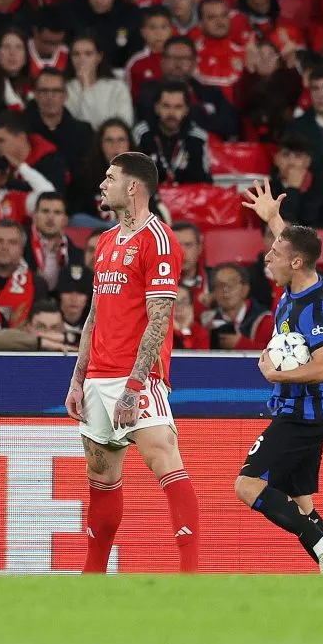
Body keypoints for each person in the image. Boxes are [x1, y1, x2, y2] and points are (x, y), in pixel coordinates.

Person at [64, 151, 200, 574]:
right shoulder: (104, 241)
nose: (103, 185)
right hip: (97, 377)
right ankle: (93, 577)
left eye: (110, 177)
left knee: (164, 457)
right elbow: (94, 314)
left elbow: (161, 317)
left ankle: (191, 577)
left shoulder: (159, 240)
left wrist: (136, 385)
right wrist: (77, 377)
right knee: (101, 476)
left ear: (133, 186)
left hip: (136, 377)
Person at [234, 178, 323, 575]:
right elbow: (289, 242)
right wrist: (273, 217)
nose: (268, 256)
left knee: (247, 486)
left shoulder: (314, 307)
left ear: (296, 263)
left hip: (304, 416)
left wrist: (276, 374)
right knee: (302, 501)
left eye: (275, 253)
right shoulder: (300, 279)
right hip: (306, 413)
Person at [0, 297, 77, 352]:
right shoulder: (17, 340)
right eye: (41, 327)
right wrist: (42, 342)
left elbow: (85, 339)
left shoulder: (71, 341)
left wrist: (65, 338)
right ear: (28, 326)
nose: (48, 333)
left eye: (55, 327)